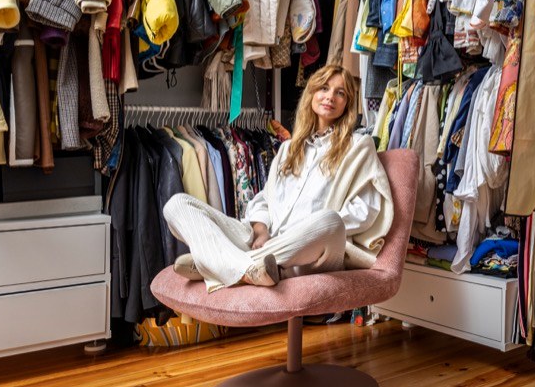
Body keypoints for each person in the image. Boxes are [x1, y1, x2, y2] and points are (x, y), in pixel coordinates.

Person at [163, 65, 394, 292]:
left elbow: (365, 210)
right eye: (324, 88)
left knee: (330, 221)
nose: (330, 97)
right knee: (177, 204)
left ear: (347, 104)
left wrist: (298, 234)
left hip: (314, 251)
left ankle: (217, 264)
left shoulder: (358, 146)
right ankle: (247, 269)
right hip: (267, 241)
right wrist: (261, 230)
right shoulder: (288, 149)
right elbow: (265, 199)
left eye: (340, 93)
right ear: (312, 93)